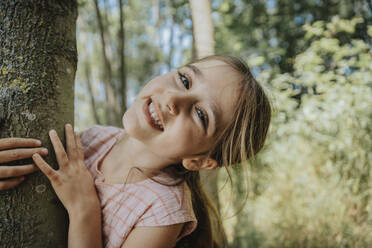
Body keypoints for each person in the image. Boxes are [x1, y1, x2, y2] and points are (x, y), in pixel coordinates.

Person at [0, 55, 272, 248]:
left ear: (199, 161)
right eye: (185, 80)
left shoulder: (163, 213)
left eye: (201, 114)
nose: (173, 100)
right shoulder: (94, 138)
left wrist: (85, 208)